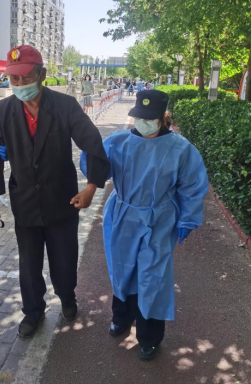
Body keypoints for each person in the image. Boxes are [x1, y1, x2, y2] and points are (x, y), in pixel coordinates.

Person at [0, 45, 110, 338]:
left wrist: (92, 186)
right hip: (24, 201)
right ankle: (33, 311)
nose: (20, 84)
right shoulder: (1, 111)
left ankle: (67, 297)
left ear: (42, 75)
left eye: (26, 77)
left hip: (63, 199)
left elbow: (92, 142)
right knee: (29, 265)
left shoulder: (65, 106)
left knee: (64, 260)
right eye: (14, 79)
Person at [81, 90, 209, 361]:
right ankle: (121, 317)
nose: (143, 123)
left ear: (163, 118)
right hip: (123, 216)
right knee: (122, 270)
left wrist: (187, 219)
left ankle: (149, 336)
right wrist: (90, 150)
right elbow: (96, 168)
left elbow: (192, 187)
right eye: (139, 117)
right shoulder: (118, 142)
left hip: (159, 220)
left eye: (150, 119)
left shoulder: (181, 149)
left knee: (152, 276)